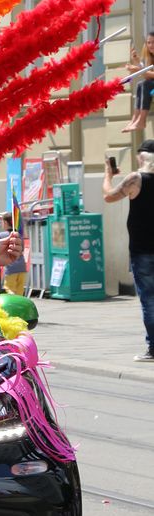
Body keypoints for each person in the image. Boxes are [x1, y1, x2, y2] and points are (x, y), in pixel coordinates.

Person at [103, 139, 154, 361]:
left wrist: (108, 174)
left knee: (149, 300)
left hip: (143, 249)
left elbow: (109, 196)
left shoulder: (135, 179)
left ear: (141, 157)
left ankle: (153, 348)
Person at [122, 32, 154, 133]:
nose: (151, 45)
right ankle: (135, 119)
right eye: (148, 42)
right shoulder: (150, 57)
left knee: (145, 84)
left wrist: (137, 69)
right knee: (140, 84)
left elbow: (150, 74)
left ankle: (141, 120)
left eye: (153, 42)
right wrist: (136, 61)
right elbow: (147, 74)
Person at [0, 212, 27, 295]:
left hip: (11, 267)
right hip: (22, 266)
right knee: (20, 290)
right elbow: (22, 249)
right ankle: (19, 306)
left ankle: (12, 305)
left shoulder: (2, 235)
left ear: (6, 223)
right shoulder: (19, 235)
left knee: (9, 288)